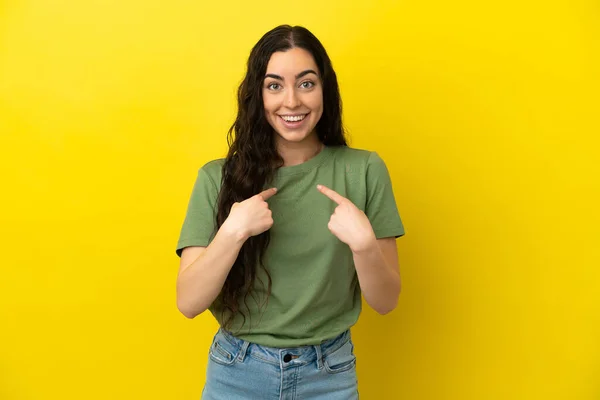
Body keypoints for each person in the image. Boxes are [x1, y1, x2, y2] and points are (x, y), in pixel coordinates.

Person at [175, 24, 405, 400]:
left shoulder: (363, 171)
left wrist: (364, 246)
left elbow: (386, 301)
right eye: (275, 85)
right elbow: (188, 302)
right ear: (257, 95)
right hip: (237, 372)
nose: (292, 102)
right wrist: (233, 232)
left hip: (329, 374)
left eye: (306, 83)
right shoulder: (216, 178)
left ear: (324, 90)